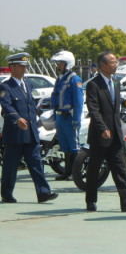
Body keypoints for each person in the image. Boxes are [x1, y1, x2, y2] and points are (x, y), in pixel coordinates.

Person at [85, 51, 126, 212]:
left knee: (120, 169)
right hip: (100, 135)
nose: (116, 65)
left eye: (116, 62)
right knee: (94, 169)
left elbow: (115, 110)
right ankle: (91, 201)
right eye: (112, 62)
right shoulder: (93, 84)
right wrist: (102, 128)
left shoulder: (117, 83)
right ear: (102, 65)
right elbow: (94, 110)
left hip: (116, 135)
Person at [0, 53, 58, 203]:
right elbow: (6, 105)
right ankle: (7, 193)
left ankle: (43, 193)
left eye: (25, 66)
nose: (24, 68)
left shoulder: (27, 84)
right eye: (21, 65)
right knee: (10, 165)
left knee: (36, 162)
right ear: (12, 67)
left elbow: (30, 105)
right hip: (15, 133)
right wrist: (16, 118)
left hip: (31, 131)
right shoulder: (6, 86)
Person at [50, 51, 84, 181]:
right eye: (58, 63)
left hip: (69, 117)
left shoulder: (74, 79)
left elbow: (79, 101)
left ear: (68, 64)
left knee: (74, 146)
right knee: (64, 146)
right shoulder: (59, 79)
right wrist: (55, 116)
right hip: (59, 117)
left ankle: (74, 174)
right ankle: (67, 172)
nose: (58, 66)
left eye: (60, 63)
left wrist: (76, 119)